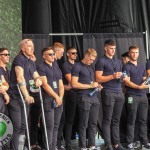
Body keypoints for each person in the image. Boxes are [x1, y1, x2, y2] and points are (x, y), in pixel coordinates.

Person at [8, 39, 42, 150]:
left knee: (23, 126)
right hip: (15, 97)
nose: (32, 48)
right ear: (23, 48)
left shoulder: (31, 61)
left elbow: (36, 74)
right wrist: (27, 95)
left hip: (24, 98)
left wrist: (37, 79)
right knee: (17, 126)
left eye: (33, 46)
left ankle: (20, 147)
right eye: (29, 46)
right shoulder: (19, 59)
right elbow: (20, 78)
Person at [95, 39, 125, 150]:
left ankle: (116, 143)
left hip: (119, 91)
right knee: (107, 119)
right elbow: (98, 78)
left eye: (114, 49)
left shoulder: (118, 61)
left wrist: (122, 77)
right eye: (111, 48)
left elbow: (119, 78)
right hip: (108, 92)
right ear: (105, 48)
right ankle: (108, 144)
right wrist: (113, 76)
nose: (113, 51)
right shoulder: (101, 61)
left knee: (116, 120)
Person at [71, 48, 102, 150]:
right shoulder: (77, 66)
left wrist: (97, 86)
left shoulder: (91, 67)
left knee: (93, 123)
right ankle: (83, 146)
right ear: (86, 56)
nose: (92, 61)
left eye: (93, 60)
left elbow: (92, 82)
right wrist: (90, 86)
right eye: (91, 59)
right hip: (83, 97)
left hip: (94, 97)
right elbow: (74, 84)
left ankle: (92, 145)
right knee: (83, 123)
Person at [123, 45, 150, 150]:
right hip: (132, 96)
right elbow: (127, 81)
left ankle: (144, 142)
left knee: (143, 119)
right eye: (133, 52)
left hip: (143, 96)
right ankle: (130, 142)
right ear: (129, 54)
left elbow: (144, 78)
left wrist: (147, 80)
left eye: (136, 52)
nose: (134, 54)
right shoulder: (126, 66)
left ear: (139, 54)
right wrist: (139, 87)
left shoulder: (142, 66)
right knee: (132, 119)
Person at [37, 47, 64, 150]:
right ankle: (48, 147)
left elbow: (61, 85)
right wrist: (56, 96)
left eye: (53, 54)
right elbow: (44, 85)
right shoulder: (41, 67)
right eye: (50, 54)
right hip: (48, 99)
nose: (53, 56)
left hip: (58, 99)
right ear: (44, 56)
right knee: (49, 126)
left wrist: (60, 97)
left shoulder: (56, 67)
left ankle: (53, 146)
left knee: (56, 125)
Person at [61, 47, 78, 150]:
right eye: (72, 53)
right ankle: (67, 144)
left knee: (81, 119)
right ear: (67, 54)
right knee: (69, 120)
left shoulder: (77, 65)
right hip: (71, 95)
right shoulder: (65, 65)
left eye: (76, 53)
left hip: (80, 94)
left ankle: (84, 143)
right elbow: (72, 81)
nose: (75, 55)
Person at [0, 48, 10, 113]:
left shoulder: (7, 69)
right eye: (6, 54)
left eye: (8, 54)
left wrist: (6, 87)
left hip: (6, 99)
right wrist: (5, 93)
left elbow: (4, 82)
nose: (8, 56)